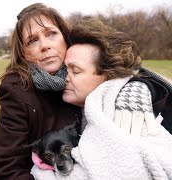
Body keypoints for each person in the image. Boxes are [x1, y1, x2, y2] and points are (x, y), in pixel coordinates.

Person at [31, 18, 172, 179]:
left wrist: (141, 86)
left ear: (108, 75)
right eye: (64, 70)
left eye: (75, 71)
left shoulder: (129, 114)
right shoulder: (76, 99)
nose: (64, 79)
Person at [0, 3, 82, 180]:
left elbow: (124, 68)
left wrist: (136, 88)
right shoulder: (17, 93)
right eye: (32, 40)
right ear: (24, 53)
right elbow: (6, 170)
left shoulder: (85, 71)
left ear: (65, 37)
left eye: (51, 34)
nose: (44, 45)